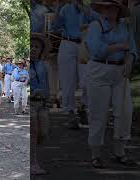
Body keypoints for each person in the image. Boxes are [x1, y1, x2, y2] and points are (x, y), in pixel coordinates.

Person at [85, 0, 137, 168]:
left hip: (120, 71)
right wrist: (119, 46)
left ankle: (120, 152)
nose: (109, 10)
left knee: (125, 111)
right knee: (98, 113)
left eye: (113, 7)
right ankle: (95, 154)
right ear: (102, 9)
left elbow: (132, 50)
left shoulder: (125, 27)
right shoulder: (95, 25)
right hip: (99, 69)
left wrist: (129, 63)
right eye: (106, 7)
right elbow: (96, 50)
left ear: (118, 9)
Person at [52, 0, 99, 129]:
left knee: (87, 80)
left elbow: (100, 22)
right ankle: (69, 112)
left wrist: (86, 10)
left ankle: (83, 107)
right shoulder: (65, 8)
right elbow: (54, 27)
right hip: (67, 44)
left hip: (85, 45)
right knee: (67, 82)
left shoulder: (90, 8)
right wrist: (57, 10)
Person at [31, 33, 50, 175]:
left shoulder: (43, 65)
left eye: (37, 46)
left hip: (42, 104)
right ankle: (33, 163)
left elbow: (47, 84)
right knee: (34, 131)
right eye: (31, 46)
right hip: (30, 102)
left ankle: (31, 153)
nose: (33, 49)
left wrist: (49, 98)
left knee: (43, 133)